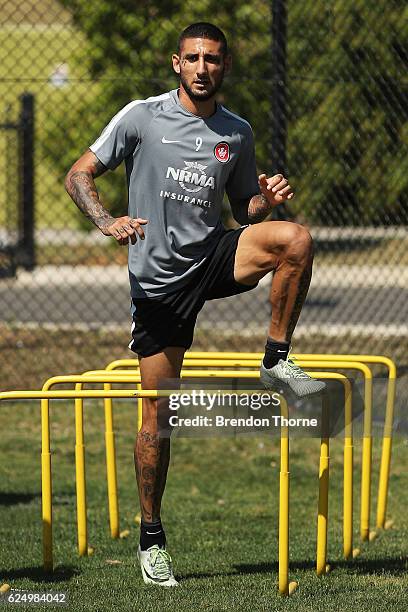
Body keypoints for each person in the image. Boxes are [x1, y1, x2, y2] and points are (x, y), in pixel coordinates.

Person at [65, 22, 325, 587]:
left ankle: (276, 357)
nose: (202, 67)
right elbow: (78, 173)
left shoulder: (237, 131)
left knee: (295, 239)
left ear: (224, 66)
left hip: (213, 255)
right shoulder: (142, 117)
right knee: (158, 418)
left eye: (212, 59)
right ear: (176, 63)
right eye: (193, 58)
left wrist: (265, 200)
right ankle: (151, 536)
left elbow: (245, 210)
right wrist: (108, 221)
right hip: (159, 284)